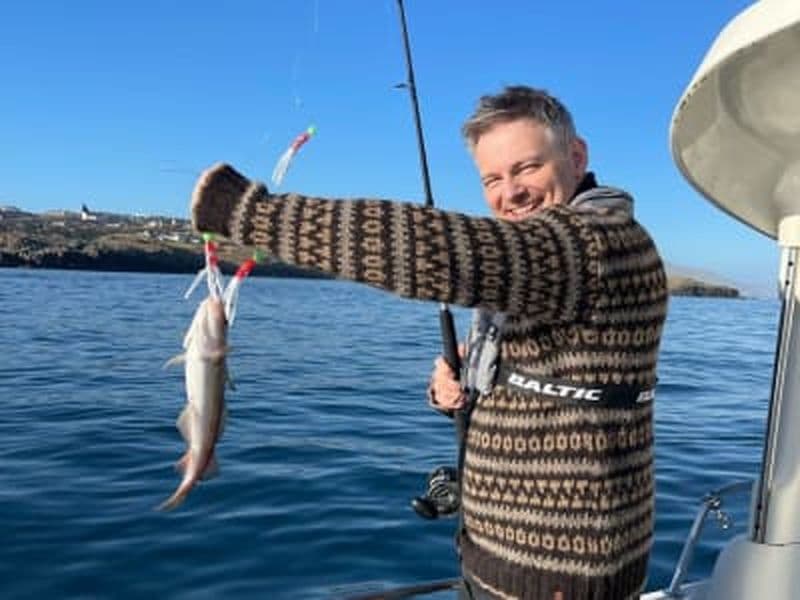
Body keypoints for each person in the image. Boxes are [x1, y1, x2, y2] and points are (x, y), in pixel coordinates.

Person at [191, 85, 668, 600]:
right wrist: (462, 391)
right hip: (496, 563)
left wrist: (246, 212)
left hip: (559, 582)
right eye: (492, 178)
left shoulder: (598, 242)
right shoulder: (553, 265)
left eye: (526, 168)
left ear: (576, 157)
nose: (511, 193)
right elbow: (559, 387)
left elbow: (434, 251)